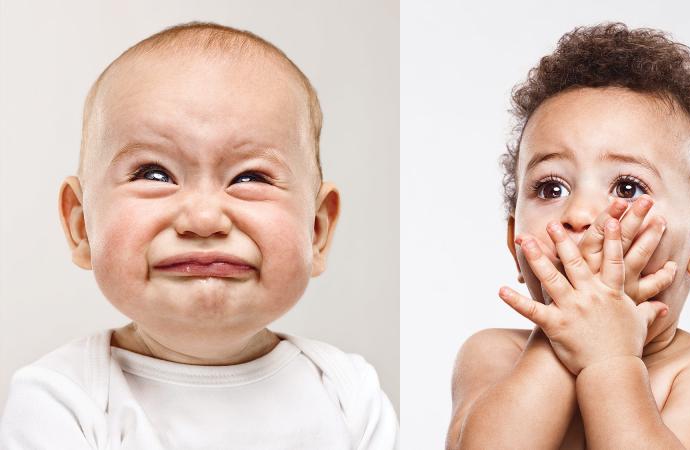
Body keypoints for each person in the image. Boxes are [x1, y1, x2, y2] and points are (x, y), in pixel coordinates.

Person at [0, 22, 397, 449]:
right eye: (154, 173)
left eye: (250, 177)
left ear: (316, 230)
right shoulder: (64, 399)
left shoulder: (348, 393)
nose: (205, 218)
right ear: (81, 227)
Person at [447, 23, 690, 449]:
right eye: (550, 188)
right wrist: (565, 335)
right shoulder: (492, 356)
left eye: (627, 188)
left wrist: (610, 359)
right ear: (516, 241)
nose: (578, 214)